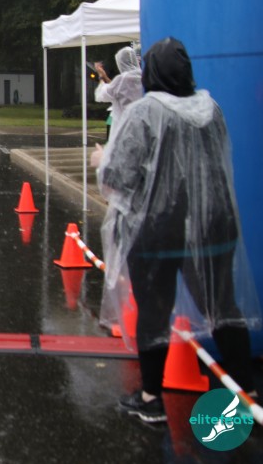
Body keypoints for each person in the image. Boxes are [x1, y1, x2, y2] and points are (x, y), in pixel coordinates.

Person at [95, 37, 261, 424]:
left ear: (150, 73)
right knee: (222, 306)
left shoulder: (145, 112)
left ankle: (152, 397)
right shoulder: (211, 108)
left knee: (155, 311)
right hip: (214, 226)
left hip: (158, 229)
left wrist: (102, 159)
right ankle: (247, 392)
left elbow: (118, 176)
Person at [94, 46, 142, 138]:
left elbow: (101, 95)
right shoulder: (144, 77)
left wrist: (101, 76)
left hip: (122, 128)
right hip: (140, 127)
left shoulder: (122, 80)